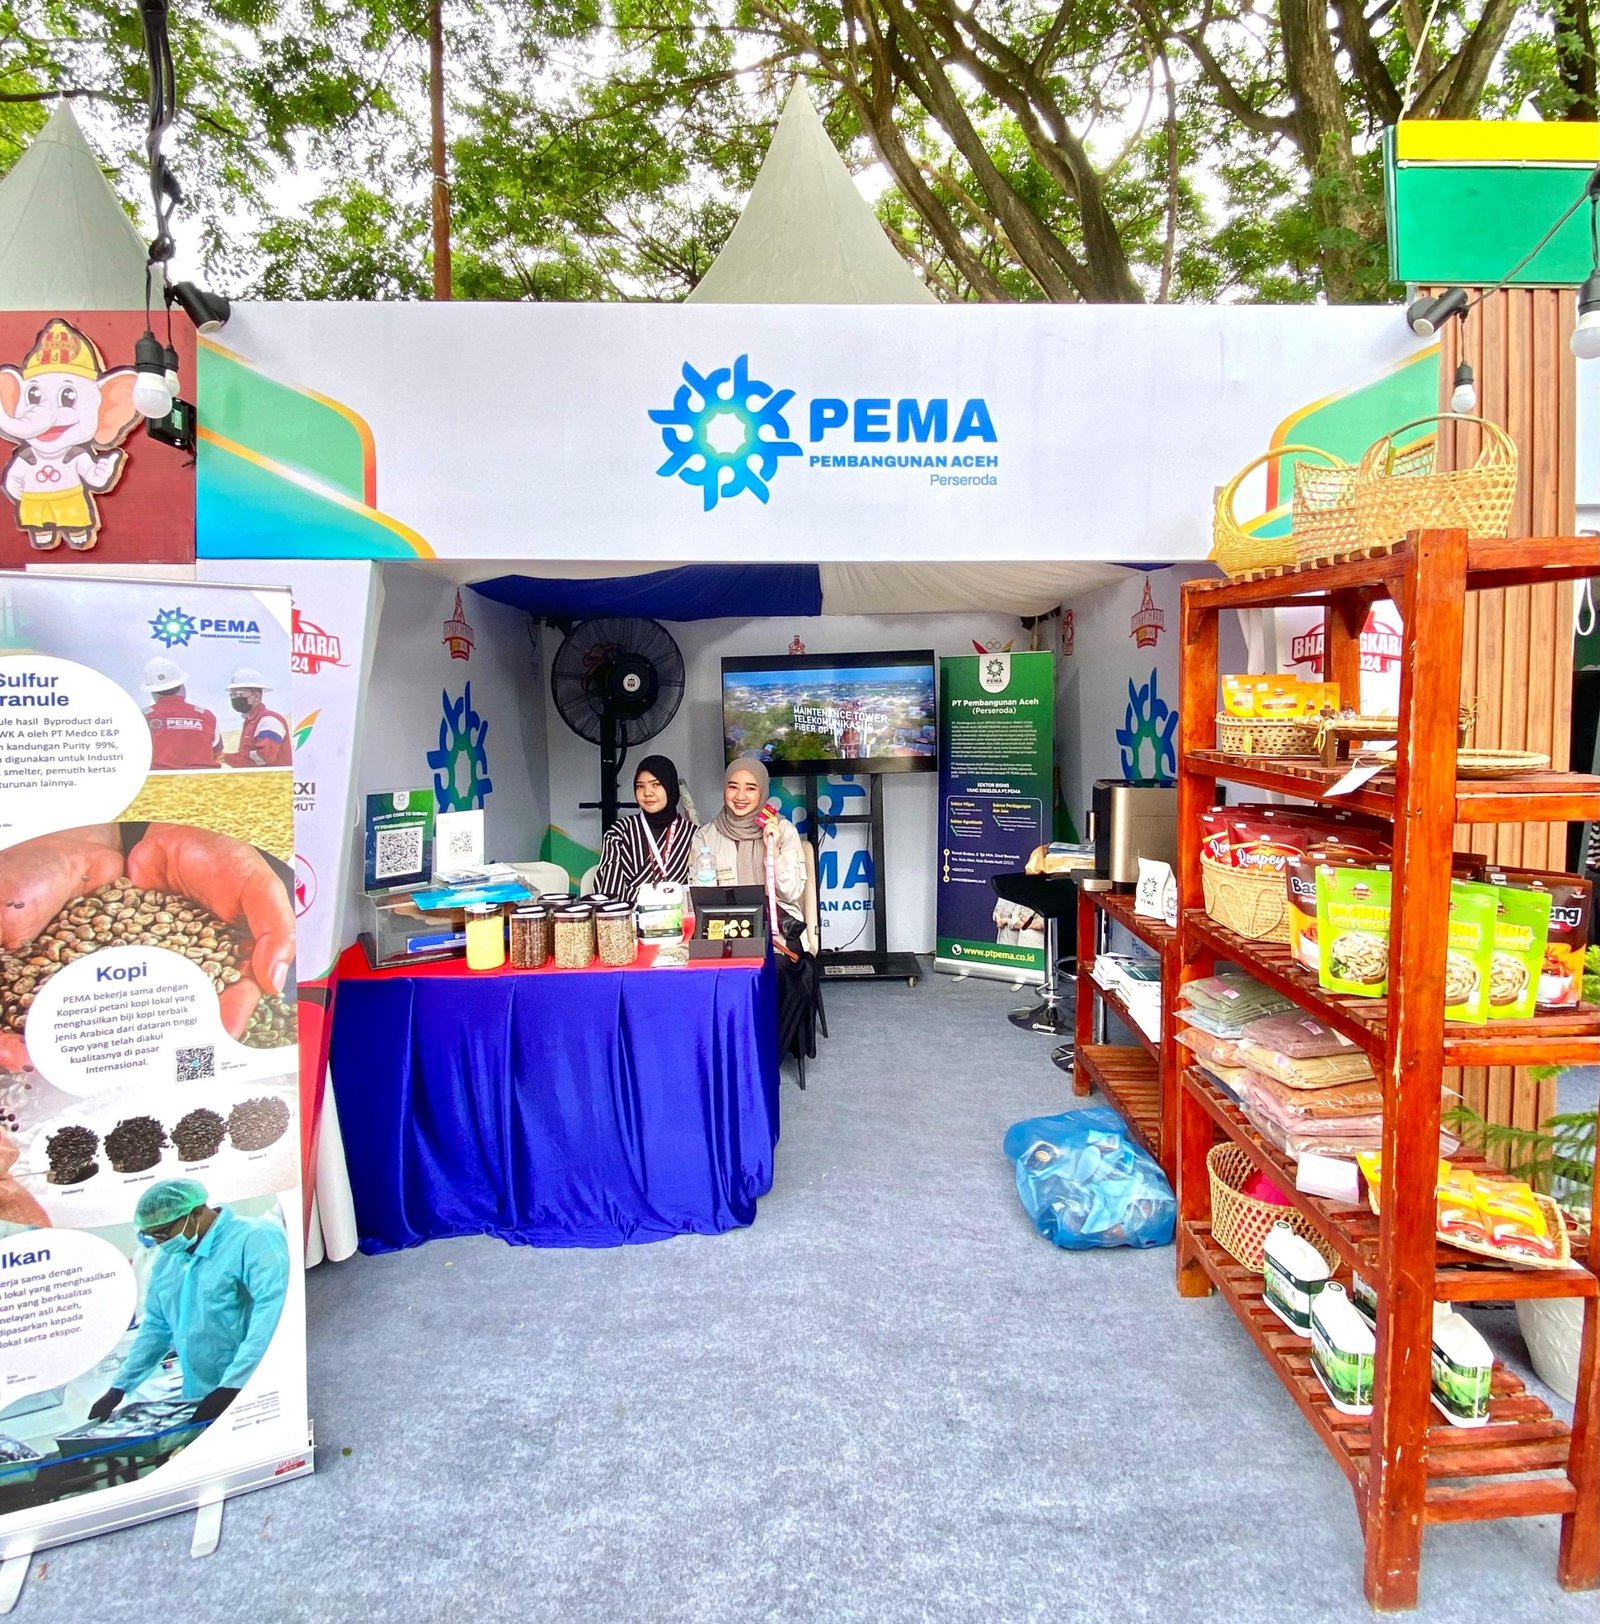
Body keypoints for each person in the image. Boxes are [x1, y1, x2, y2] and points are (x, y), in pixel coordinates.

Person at [88, 1179, 290, 1427]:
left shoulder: (254, 1238)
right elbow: (156, 1328)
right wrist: (119, 1387)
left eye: (164, 1233)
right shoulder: (167, 1261)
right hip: (199, 1394)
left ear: (196, 1213)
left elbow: (271, 1315)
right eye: (152, 1235)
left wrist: (233, 1385)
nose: (160, 1242)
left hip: (252, 1385)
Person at [699, 755, 806, 940]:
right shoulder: (706, 836)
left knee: (774, 958)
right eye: (733, 787)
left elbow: (791, 891)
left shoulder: (783, 830)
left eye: (750, 788)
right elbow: (701, 899)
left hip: (778, 930)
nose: (740, 796)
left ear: (762, 791)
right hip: (725, 930)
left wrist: (774, 852)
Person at [593, 755, 696, 901]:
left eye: (656, 785)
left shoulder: (692, 834)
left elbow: (700, 890)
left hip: (679, 913)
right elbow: (609, 891)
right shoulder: (619, 832)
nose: (647, 793)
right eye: (640, 786)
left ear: (670, 786)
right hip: (629, 913)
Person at [140, 657, 220, 770]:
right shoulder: (205, 716)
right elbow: (216, 750)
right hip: (205, 779)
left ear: (152, 692)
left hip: (157, 780)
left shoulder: (141, 717)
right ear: (181, 686)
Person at [221, 667, 291, 768]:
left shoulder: (269, 721)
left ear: (257, 697)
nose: (235, 699)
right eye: (232, 695)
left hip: (275, 777)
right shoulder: (251, 722)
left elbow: (264, 757)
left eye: (239, 694)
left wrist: (228, 758)